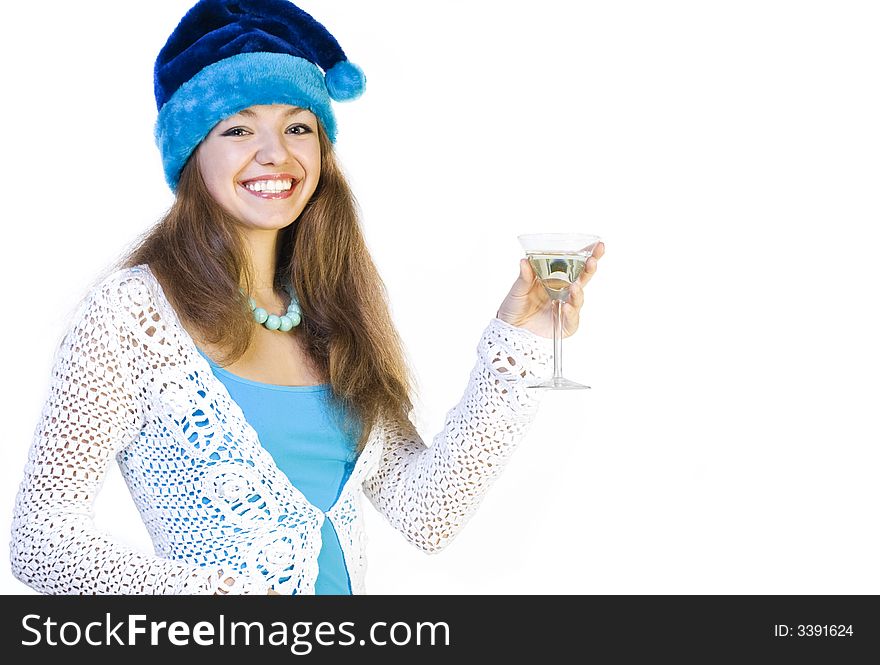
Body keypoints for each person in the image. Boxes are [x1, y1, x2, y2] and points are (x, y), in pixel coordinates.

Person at [9, 0, 605, 595]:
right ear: (191, 154)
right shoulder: (132, 315)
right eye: (238, 129)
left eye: (298, 127)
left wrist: (519, 341)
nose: (276, 153)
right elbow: (42, 543)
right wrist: (214, 599)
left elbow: (428, 511)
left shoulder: (331, 312)